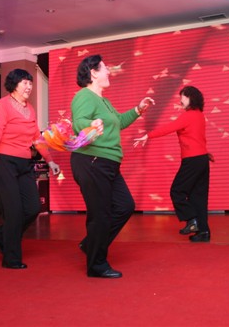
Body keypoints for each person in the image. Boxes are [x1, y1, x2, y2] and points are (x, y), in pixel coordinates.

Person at [70, 54, 155, 278]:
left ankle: (91, 244)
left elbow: (118, 122)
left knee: (125, 205)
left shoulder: (104, 101)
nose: (109, 71)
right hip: (92, 160)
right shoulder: (84, 95)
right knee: (100, 214)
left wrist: (138, 110)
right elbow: (78, 122)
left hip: (109, 162)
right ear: (93, 72)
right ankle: (96, 265)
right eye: (105, 68)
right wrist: (91, 123)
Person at [0, 69, 60, 269]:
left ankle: (0, 236)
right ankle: (11, 258)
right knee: (14, 211)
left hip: (24, 163)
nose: (29, 86)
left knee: (33, 208)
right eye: (25, 82)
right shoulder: (3, 104)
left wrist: (50, 160)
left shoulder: (30, 108)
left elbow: (36, 137)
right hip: (4, 161)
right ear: (14, 84)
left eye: (30, 83)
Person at [134, 86, 212, 242]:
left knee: (177, 191)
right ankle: (203, 232)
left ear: (190, 98)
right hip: (202, 159)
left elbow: (168, 128)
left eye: (182, 97)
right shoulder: (200, 115)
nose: (180, 100)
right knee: (198, 197)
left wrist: (148, 136)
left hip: (192, 160)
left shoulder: (188, 116)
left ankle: (192, 221)